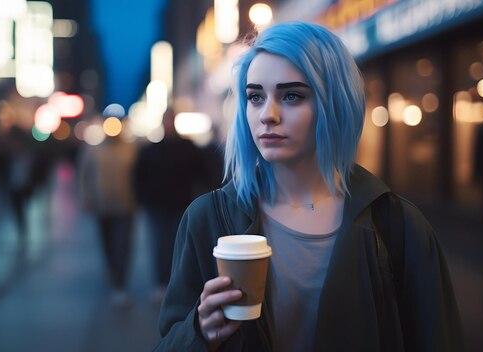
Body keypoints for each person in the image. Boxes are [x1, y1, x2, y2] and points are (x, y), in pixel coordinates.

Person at [156, 22, 464, 351]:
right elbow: (168, 342)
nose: (267, 115)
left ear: (334, 105)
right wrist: (200, 332)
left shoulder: (396, 225)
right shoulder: (209, 219)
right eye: (255, 96)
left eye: (291, 96)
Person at [133, 108, 211, 301]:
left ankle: (179, 283)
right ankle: (161, 283)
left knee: (182, 246)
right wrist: (142, 199)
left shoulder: (188, 148)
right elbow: (139, 177)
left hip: (182, 205)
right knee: (160, 245)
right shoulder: (150, 150)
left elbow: (202, 174)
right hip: (157, 206)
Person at [78, 123, 137, 305]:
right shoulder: (93, 150)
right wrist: (86, 198)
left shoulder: (131, 149)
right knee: (107, 243)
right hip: (101, 206)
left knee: (122, 245)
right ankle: (112, 272)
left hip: (125, 205)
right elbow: (84, 175)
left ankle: (120, 283)